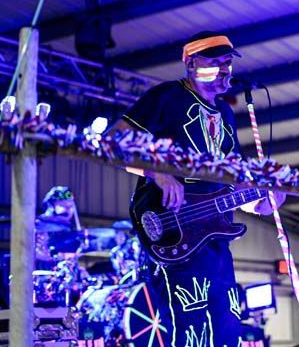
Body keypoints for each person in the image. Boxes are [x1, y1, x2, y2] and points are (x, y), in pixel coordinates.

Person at [113, 31, 283, 347]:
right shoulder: (166, 96)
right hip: (174, 226)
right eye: (214, 64)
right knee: (188, 326)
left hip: (215, 236)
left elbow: (232, 181)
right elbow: (115, 143)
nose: (224, 71)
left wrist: (260, 203)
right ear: (191, 64)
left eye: (228, 64)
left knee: (228, 323)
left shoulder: (226, 113)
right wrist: (157, 173)